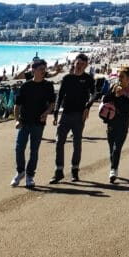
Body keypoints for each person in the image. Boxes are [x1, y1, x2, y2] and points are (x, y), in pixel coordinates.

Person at [51, 52, 95, 183]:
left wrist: (88, 106)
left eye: (83, 64)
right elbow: (60, 95)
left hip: (79, 115)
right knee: (59, 142)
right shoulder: (67, 78)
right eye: (78, 63)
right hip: (65, 114)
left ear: (86, 65)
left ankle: (75, 171)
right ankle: (58, 171)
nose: (80, 66)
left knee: (77, 143)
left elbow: (94, 93)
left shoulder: (88, 79)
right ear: (74, 63)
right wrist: (55, 111)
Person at [11, 58, 56, 188]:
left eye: (44, 69)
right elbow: (17, 105)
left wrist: (46, 113)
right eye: (41, 69)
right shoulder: (26, 86)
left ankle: (30, 176)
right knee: (19, 148)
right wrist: (17, 120)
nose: (43, 71)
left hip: (38, 123)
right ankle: (20, 172)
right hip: (24, 122)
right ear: (34, 70)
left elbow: (52, 103)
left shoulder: (48, 86)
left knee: (34, 150)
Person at [104, 67, 129, 184]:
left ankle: (113, 169)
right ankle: (114, 166)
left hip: (123, 122)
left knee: (117, 147)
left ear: (128, 79)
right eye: (119, 76)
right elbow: (105, 100)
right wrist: (113, 93)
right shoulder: (114, 87)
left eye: (122, 76)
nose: (119, 78)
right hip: (111, 121)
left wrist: (121, 95)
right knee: (111, 147)